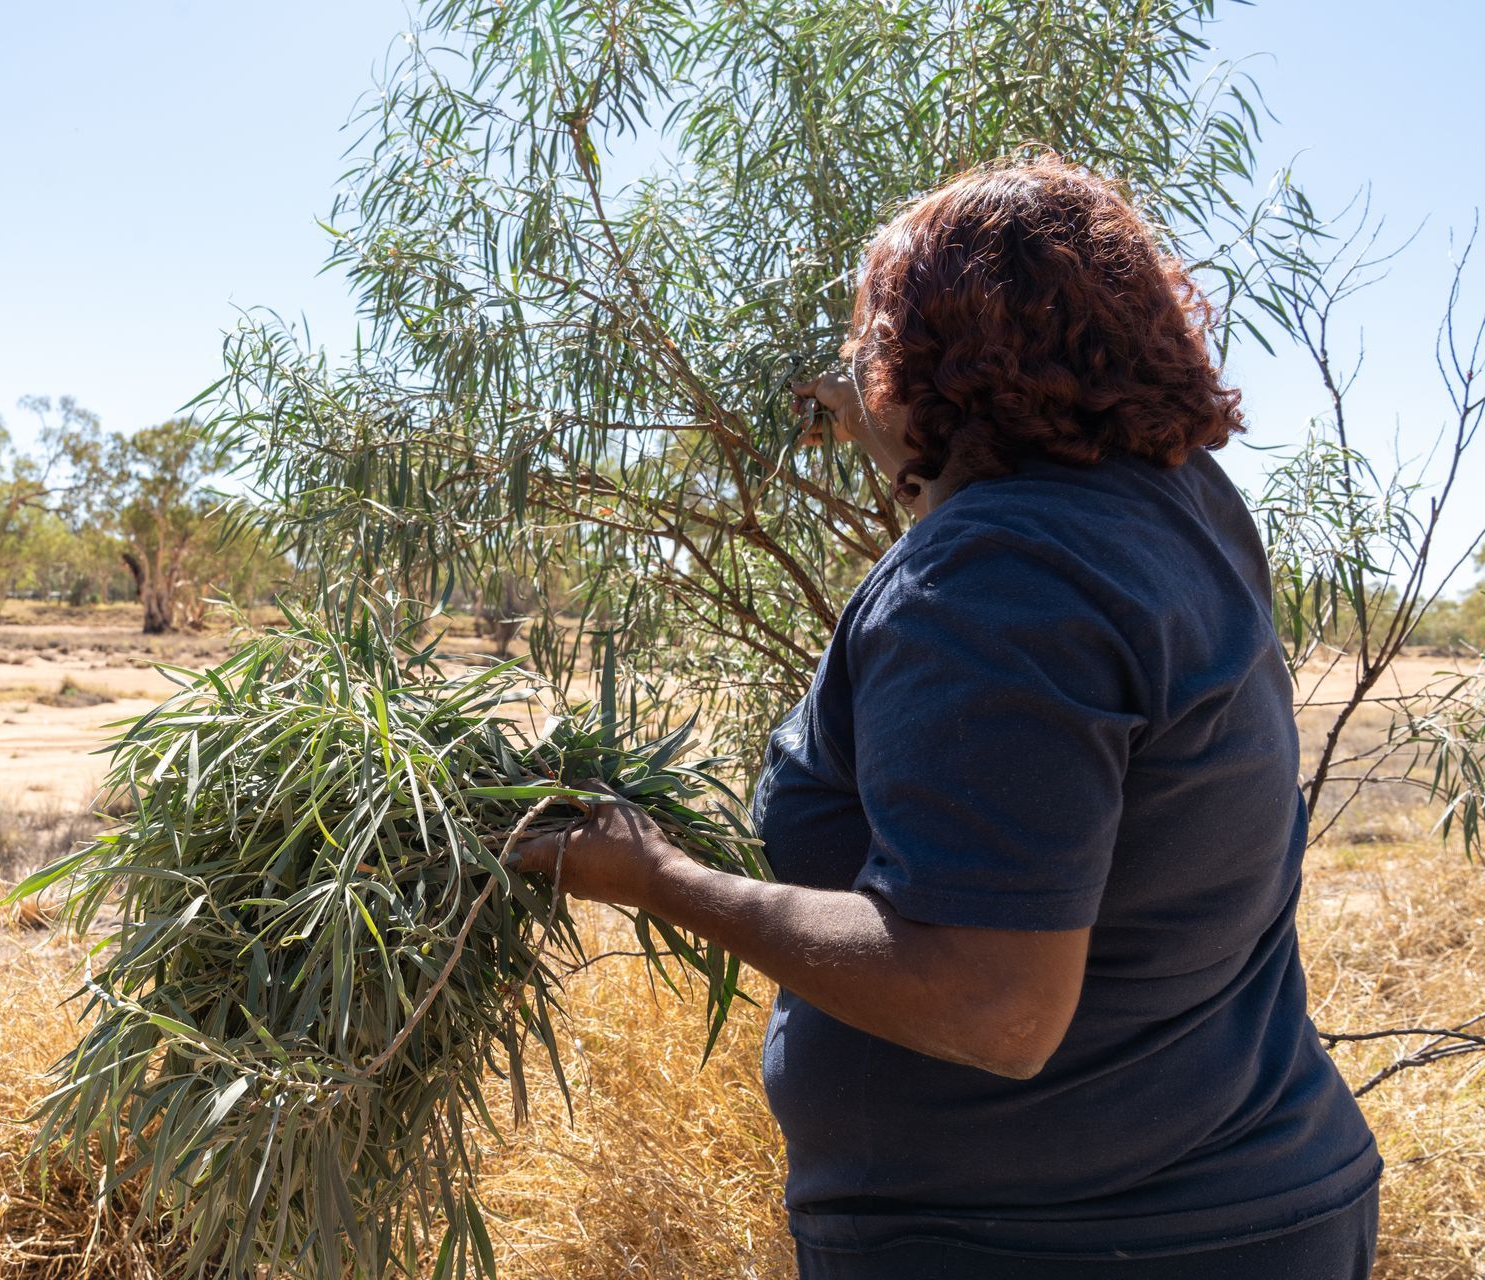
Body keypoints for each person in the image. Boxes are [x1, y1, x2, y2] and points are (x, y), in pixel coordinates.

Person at [511, 156, 1382, 1278]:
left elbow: (995, 1003)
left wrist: (659, 878)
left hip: (1049, 1241)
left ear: (927, 367)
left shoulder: (996, 574)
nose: (860, 369)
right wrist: (884, 425)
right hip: (1248, 1194)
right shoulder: (1180, 511)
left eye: (872, 345)